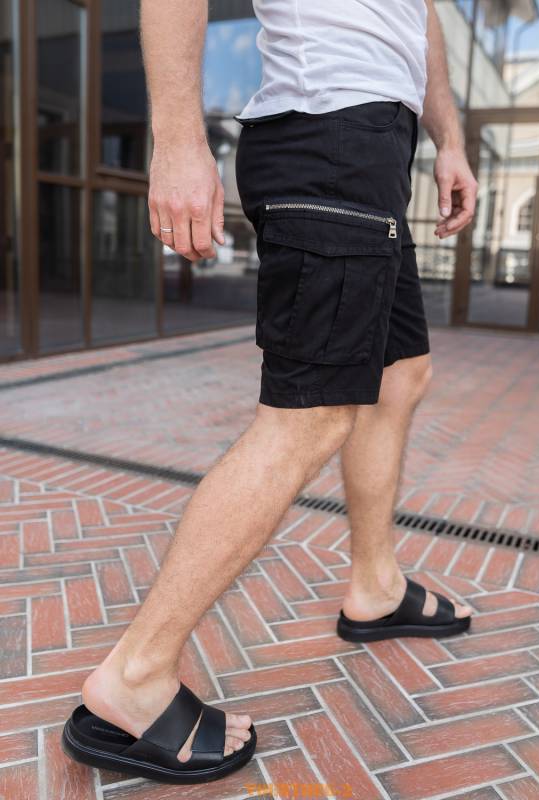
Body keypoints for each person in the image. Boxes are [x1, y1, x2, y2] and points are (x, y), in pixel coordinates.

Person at [61, 0, 478, 785]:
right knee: (308, 418)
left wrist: (449, 140)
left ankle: (375, 585)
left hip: (377, 147)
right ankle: (136, 676)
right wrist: (178, 140)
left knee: (401, 374)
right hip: (329, 134)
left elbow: (418, 14)